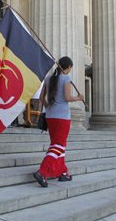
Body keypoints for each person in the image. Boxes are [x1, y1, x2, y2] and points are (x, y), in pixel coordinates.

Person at [33, 56, 84, 187]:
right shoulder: (66, 78)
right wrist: (78, 98)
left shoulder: (49, 78)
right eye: (71, 68)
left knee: (56, 144)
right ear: (68, 67)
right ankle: (42, 172)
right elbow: (67, 97)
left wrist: (48, 106)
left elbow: (41, 97)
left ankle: (62, 172)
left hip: (50, 116)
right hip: (62, 117)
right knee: (58, 145)